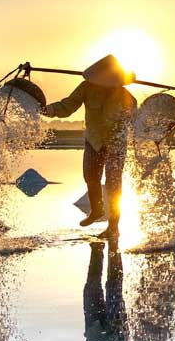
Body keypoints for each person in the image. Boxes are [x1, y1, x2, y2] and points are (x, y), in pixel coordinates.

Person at [41, 55, 137, 238]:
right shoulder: (86, 88)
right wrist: (48, 110)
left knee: (113, 184)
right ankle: (96, 211)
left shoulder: (124, 94)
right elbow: (67, 105)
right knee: (91, 177)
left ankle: (113, 227)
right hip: (93, 140)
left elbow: (135, 116)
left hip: (116, 143)